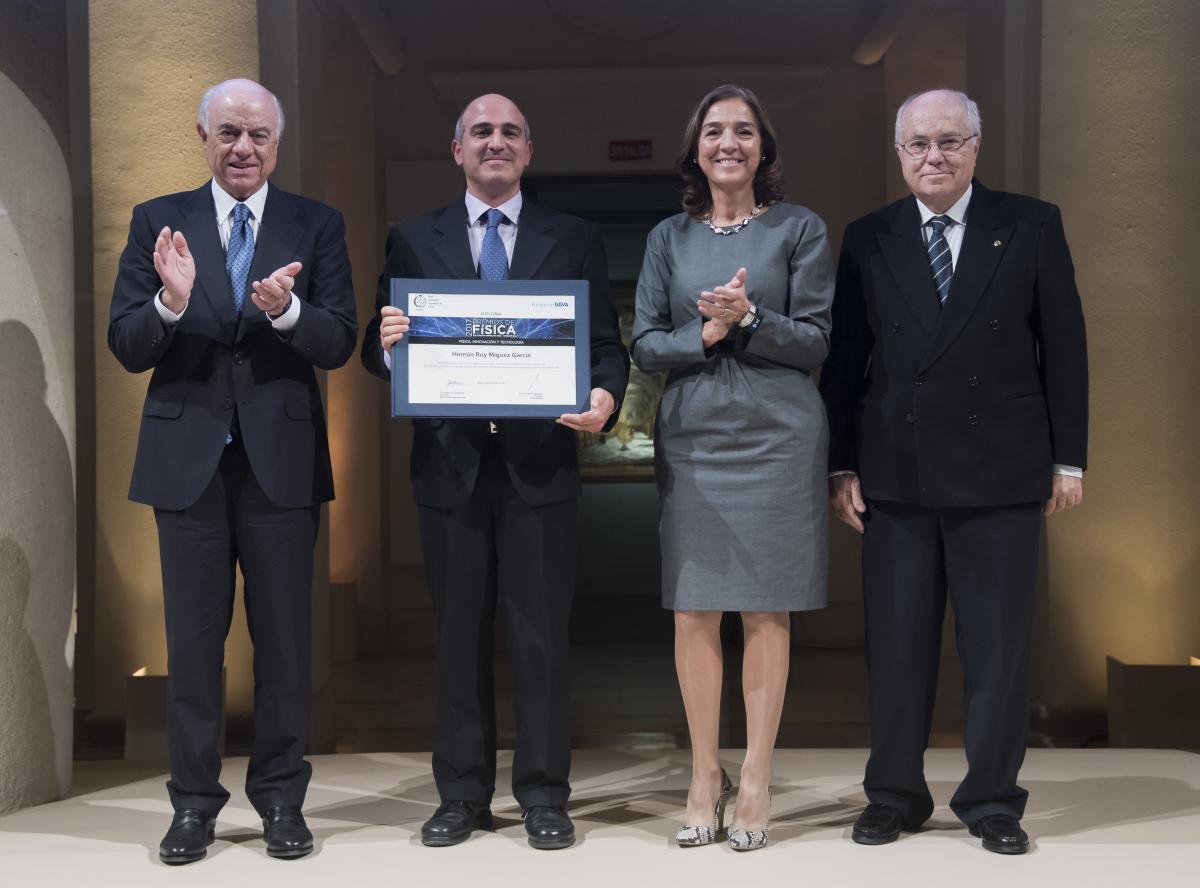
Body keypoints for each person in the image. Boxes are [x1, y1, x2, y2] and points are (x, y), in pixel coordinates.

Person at [819, 88, 1088, 855]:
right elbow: (846, 359)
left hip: (1002, 471)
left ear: (975, 146)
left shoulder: (1031, 223)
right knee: (897, 648)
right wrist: (841, 462)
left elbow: (1064, 347)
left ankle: (993, 800)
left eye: (948, 141)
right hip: (894, 473)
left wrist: (1068, 459)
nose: (933, 156)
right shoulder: (869, 236)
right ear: (899, 153)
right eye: (918, 144)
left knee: (998, 650)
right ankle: (894, 795)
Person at [361, 93, 629, 850]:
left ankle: (543, 794)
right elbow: (377, 347)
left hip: (540, 469)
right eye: (481, 131)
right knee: (457, 640)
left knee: (541, 641)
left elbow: (605, 347)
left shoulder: (573, 237)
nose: (496, 141)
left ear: (529, 151)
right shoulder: (413, 238)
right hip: (448, 470)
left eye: (511, 132)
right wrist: (388, 346)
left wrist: (605, 397)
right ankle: (461, 795)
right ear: (458, 150)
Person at [108, 78, 357, 865]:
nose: (243, 148)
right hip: (189, 466)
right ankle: (192, 807)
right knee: (191, 651)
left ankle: (282, 801)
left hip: (281, 465)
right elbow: (126, 343)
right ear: (203, 137)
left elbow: (339, 340)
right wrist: (170, 304)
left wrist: (286, 311)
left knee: (285, 648)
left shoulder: (316, 223)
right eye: (228, 133)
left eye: (257, 135)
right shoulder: (158, 220)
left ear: (277, 144)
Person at [630, 84, 833, 852]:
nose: (728, 143)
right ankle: (702, 774)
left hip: (780, 436)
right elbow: (647, 343)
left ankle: (755, 778)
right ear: (696, 147)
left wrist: (750, 319)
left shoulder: (799, 228)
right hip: (695, 436)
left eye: (744, 131)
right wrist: (707, 336)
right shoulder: (667, 238)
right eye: (714, 130)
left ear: (763, 147)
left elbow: (816, 340)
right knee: (694, 608)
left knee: (766, 608)